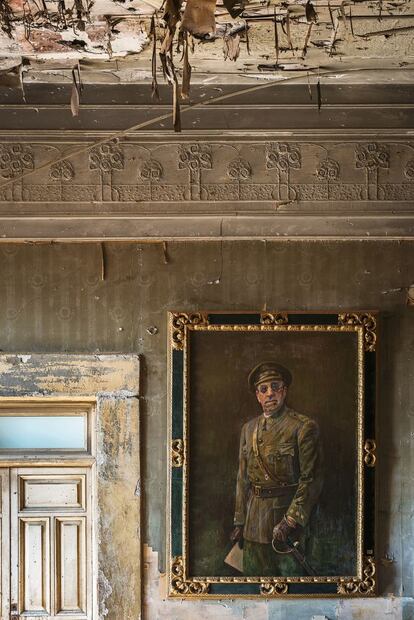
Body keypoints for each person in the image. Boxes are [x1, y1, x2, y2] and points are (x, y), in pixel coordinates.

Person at [230, 361, 323, 576]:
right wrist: (239, 521)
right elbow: (242, 478)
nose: (270, 393)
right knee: (253, 585)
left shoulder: (302, 427)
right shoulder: (248, 429)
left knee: (291, 584)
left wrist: (290, 520)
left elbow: (311, 479)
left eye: (275, 387)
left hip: (286, 527)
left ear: (284, 390)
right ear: (257, 395)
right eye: (264, 389)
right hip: (253, 526)